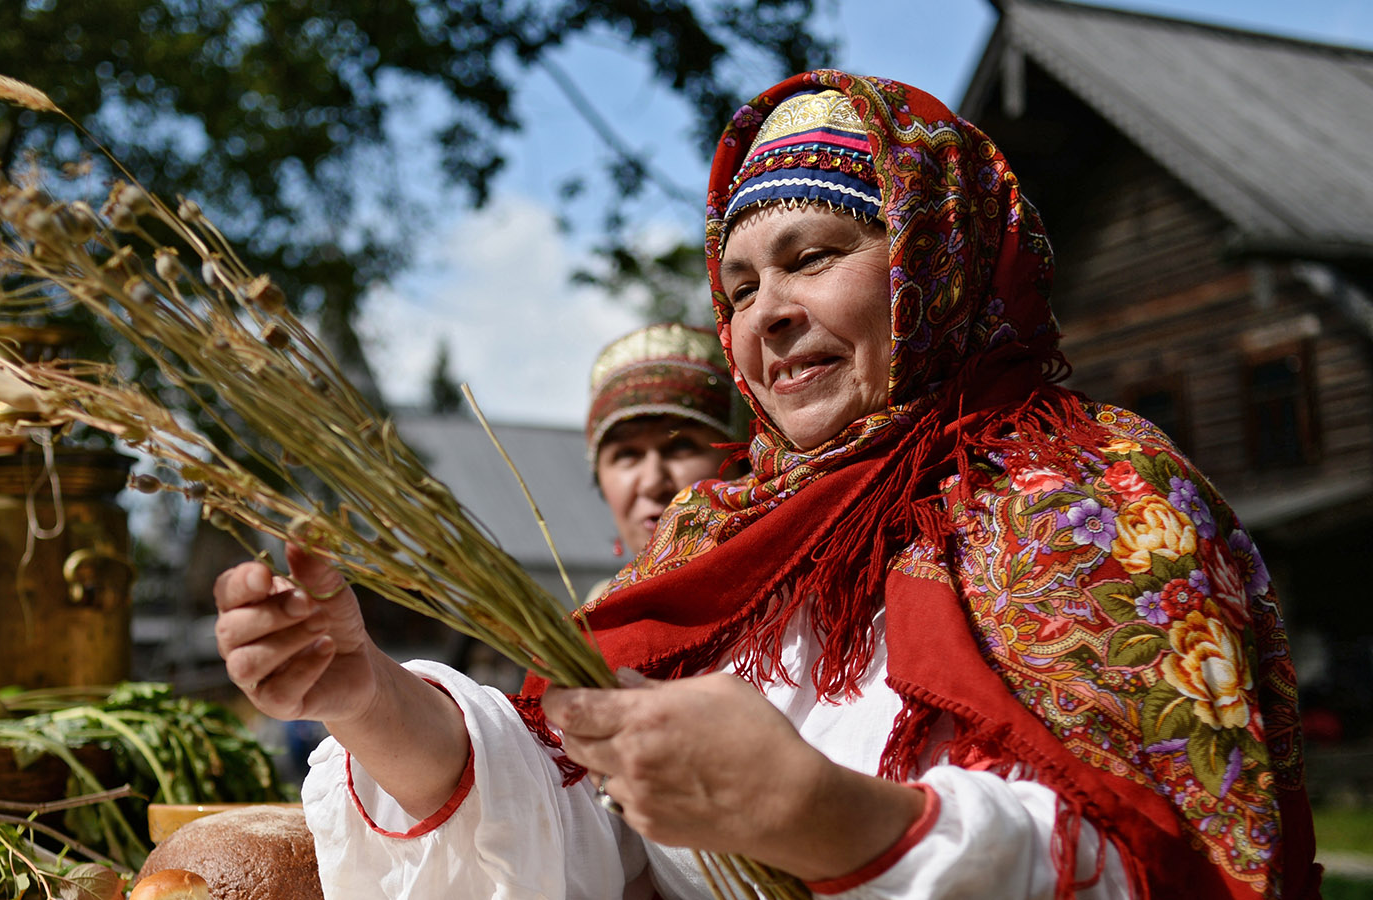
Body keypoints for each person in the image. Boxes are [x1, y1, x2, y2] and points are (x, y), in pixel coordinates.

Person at [213, 70, 1319, 899]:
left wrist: (829, 818)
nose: (766, 316)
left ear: (935, 258)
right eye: (738, 286)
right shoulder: (716, 543)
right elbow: (575, 821)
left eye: (813, 256)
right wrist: (364, 696)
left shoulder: (1094, 502)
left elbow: (1173, 865)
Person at [585, 322, 740, 580]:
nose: (653, 483)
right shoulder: (594, 617)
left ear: (743, 463)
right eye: (627, 455)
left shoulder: (805, 603)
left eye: (681, 446)